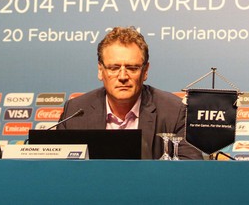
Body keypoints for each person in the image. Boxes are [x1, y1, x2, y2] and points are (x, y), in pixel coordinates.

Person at [57, 26, 202, 159]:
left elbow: (191, 168)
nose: (122, 77)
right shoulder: (74, 113)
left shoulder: (174, 111)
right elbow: (55, 169)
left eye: (132, 68)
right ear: (100, 71)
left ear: (145, 71)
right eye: (114, 68)